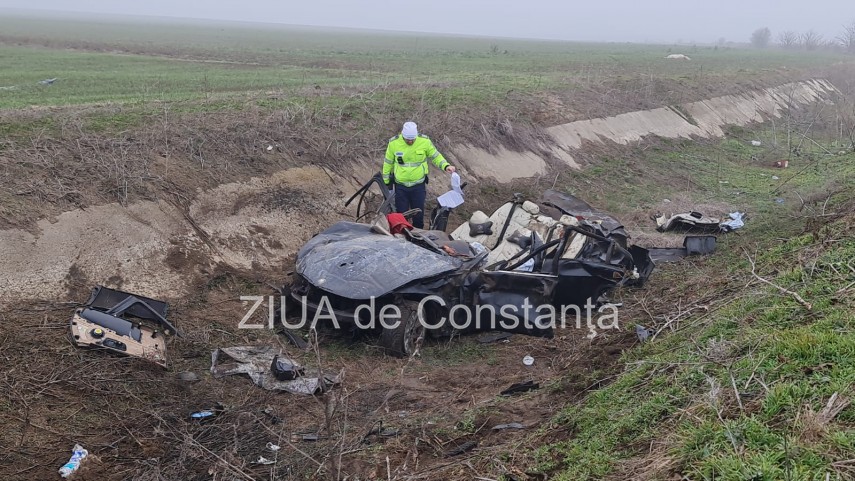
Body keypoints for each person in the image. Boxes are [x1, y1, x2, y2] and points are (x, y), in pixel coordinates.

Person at [382, 121, 456, 229]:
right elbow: (388, 163)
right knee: (401, 216)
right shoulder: (394, 143)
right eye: (408, 139)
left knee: (418, 216)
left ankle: (418, 236)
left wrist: (446, 165)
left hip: (418, 186)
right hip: (401, 187)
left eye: (413, 139)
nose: (410, 141)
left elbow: (435, 156)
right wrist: (386, 182)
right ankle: (402, 237)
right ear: (403, 135)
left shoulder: (424, 141)